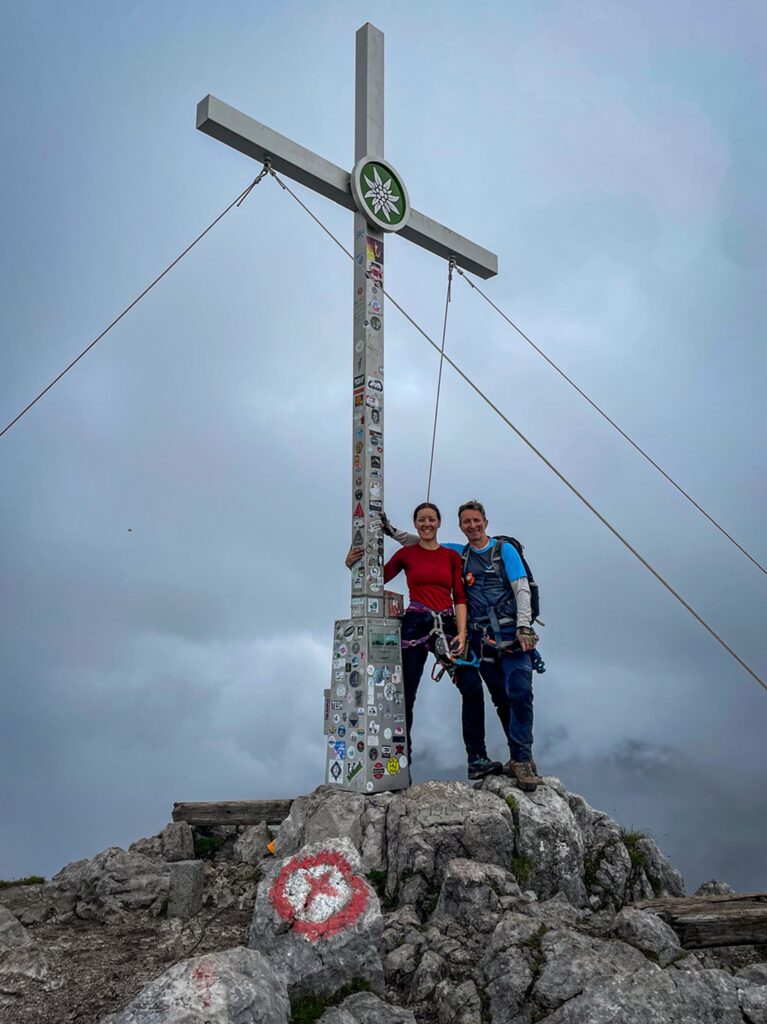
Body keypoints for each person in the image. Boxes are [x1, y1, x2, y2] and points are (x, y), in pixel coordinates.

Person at [384, 500, 543, 792]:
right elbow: (417, 546)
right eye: (467, 522)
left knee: (499, 691)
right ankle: (398, 766)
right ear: (459, 526)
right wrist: (390, 533)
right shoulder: (452, 552)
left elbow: (514, 588)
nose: (472, 526)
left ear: (485, 521)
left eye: (476, 521)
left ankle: (504, 758)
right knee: (410, 695)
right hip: (443, 630)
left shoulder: (491, 552)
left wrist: (523, 626)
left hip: (488, 631)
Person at [346, 502, 502, 780]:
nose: (427, 524)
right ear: (416, 524)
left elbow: (460, 597)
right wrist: (353, 564)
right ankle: (399, 764)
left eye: (431, 519)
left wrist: (463, 633)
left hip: (449, 623)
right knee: (405, 695)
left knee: (472, 687)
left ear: (439, 523)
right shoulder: (407, 555)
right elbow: (376, 579)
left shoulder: (451, 557)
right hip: (415, 624)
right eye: (421, 520)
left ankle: (477, 758)